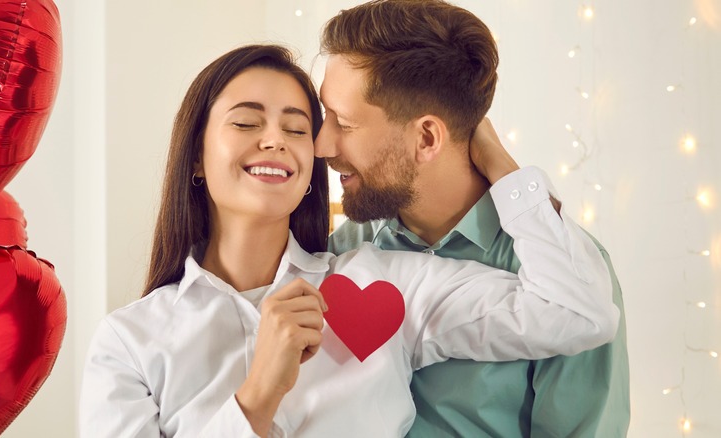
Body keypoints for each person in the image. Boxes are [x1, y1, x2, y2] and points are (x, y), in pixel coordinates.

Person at [79, 44, 619, 437]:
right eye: (246, 123)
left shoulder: (383, 282)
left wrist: (500, 166)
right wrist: (256, 399)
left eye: (296, 129)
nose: (275, 139)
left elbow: (580, 311)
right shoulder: (128, 343)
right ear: (195, 157)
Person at [317, 1, 630, 437]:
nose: (321, 144)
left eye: (344, 124)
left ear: (427, 137)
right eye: (324, 116)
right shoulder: (341, 252)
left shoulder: (566, 271)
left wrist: (505, 170)